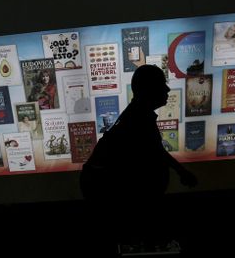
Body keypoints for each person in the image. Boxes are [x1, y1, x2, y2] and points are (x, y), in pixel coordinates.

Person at [80, 64, 198, 202]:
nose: (167, 89)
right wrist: (181, 171)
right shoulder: (137, 120)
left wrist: (180, 171)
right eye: (161, 84)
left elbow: (155, 150)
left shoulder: (137, 115)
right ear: (148, 89)